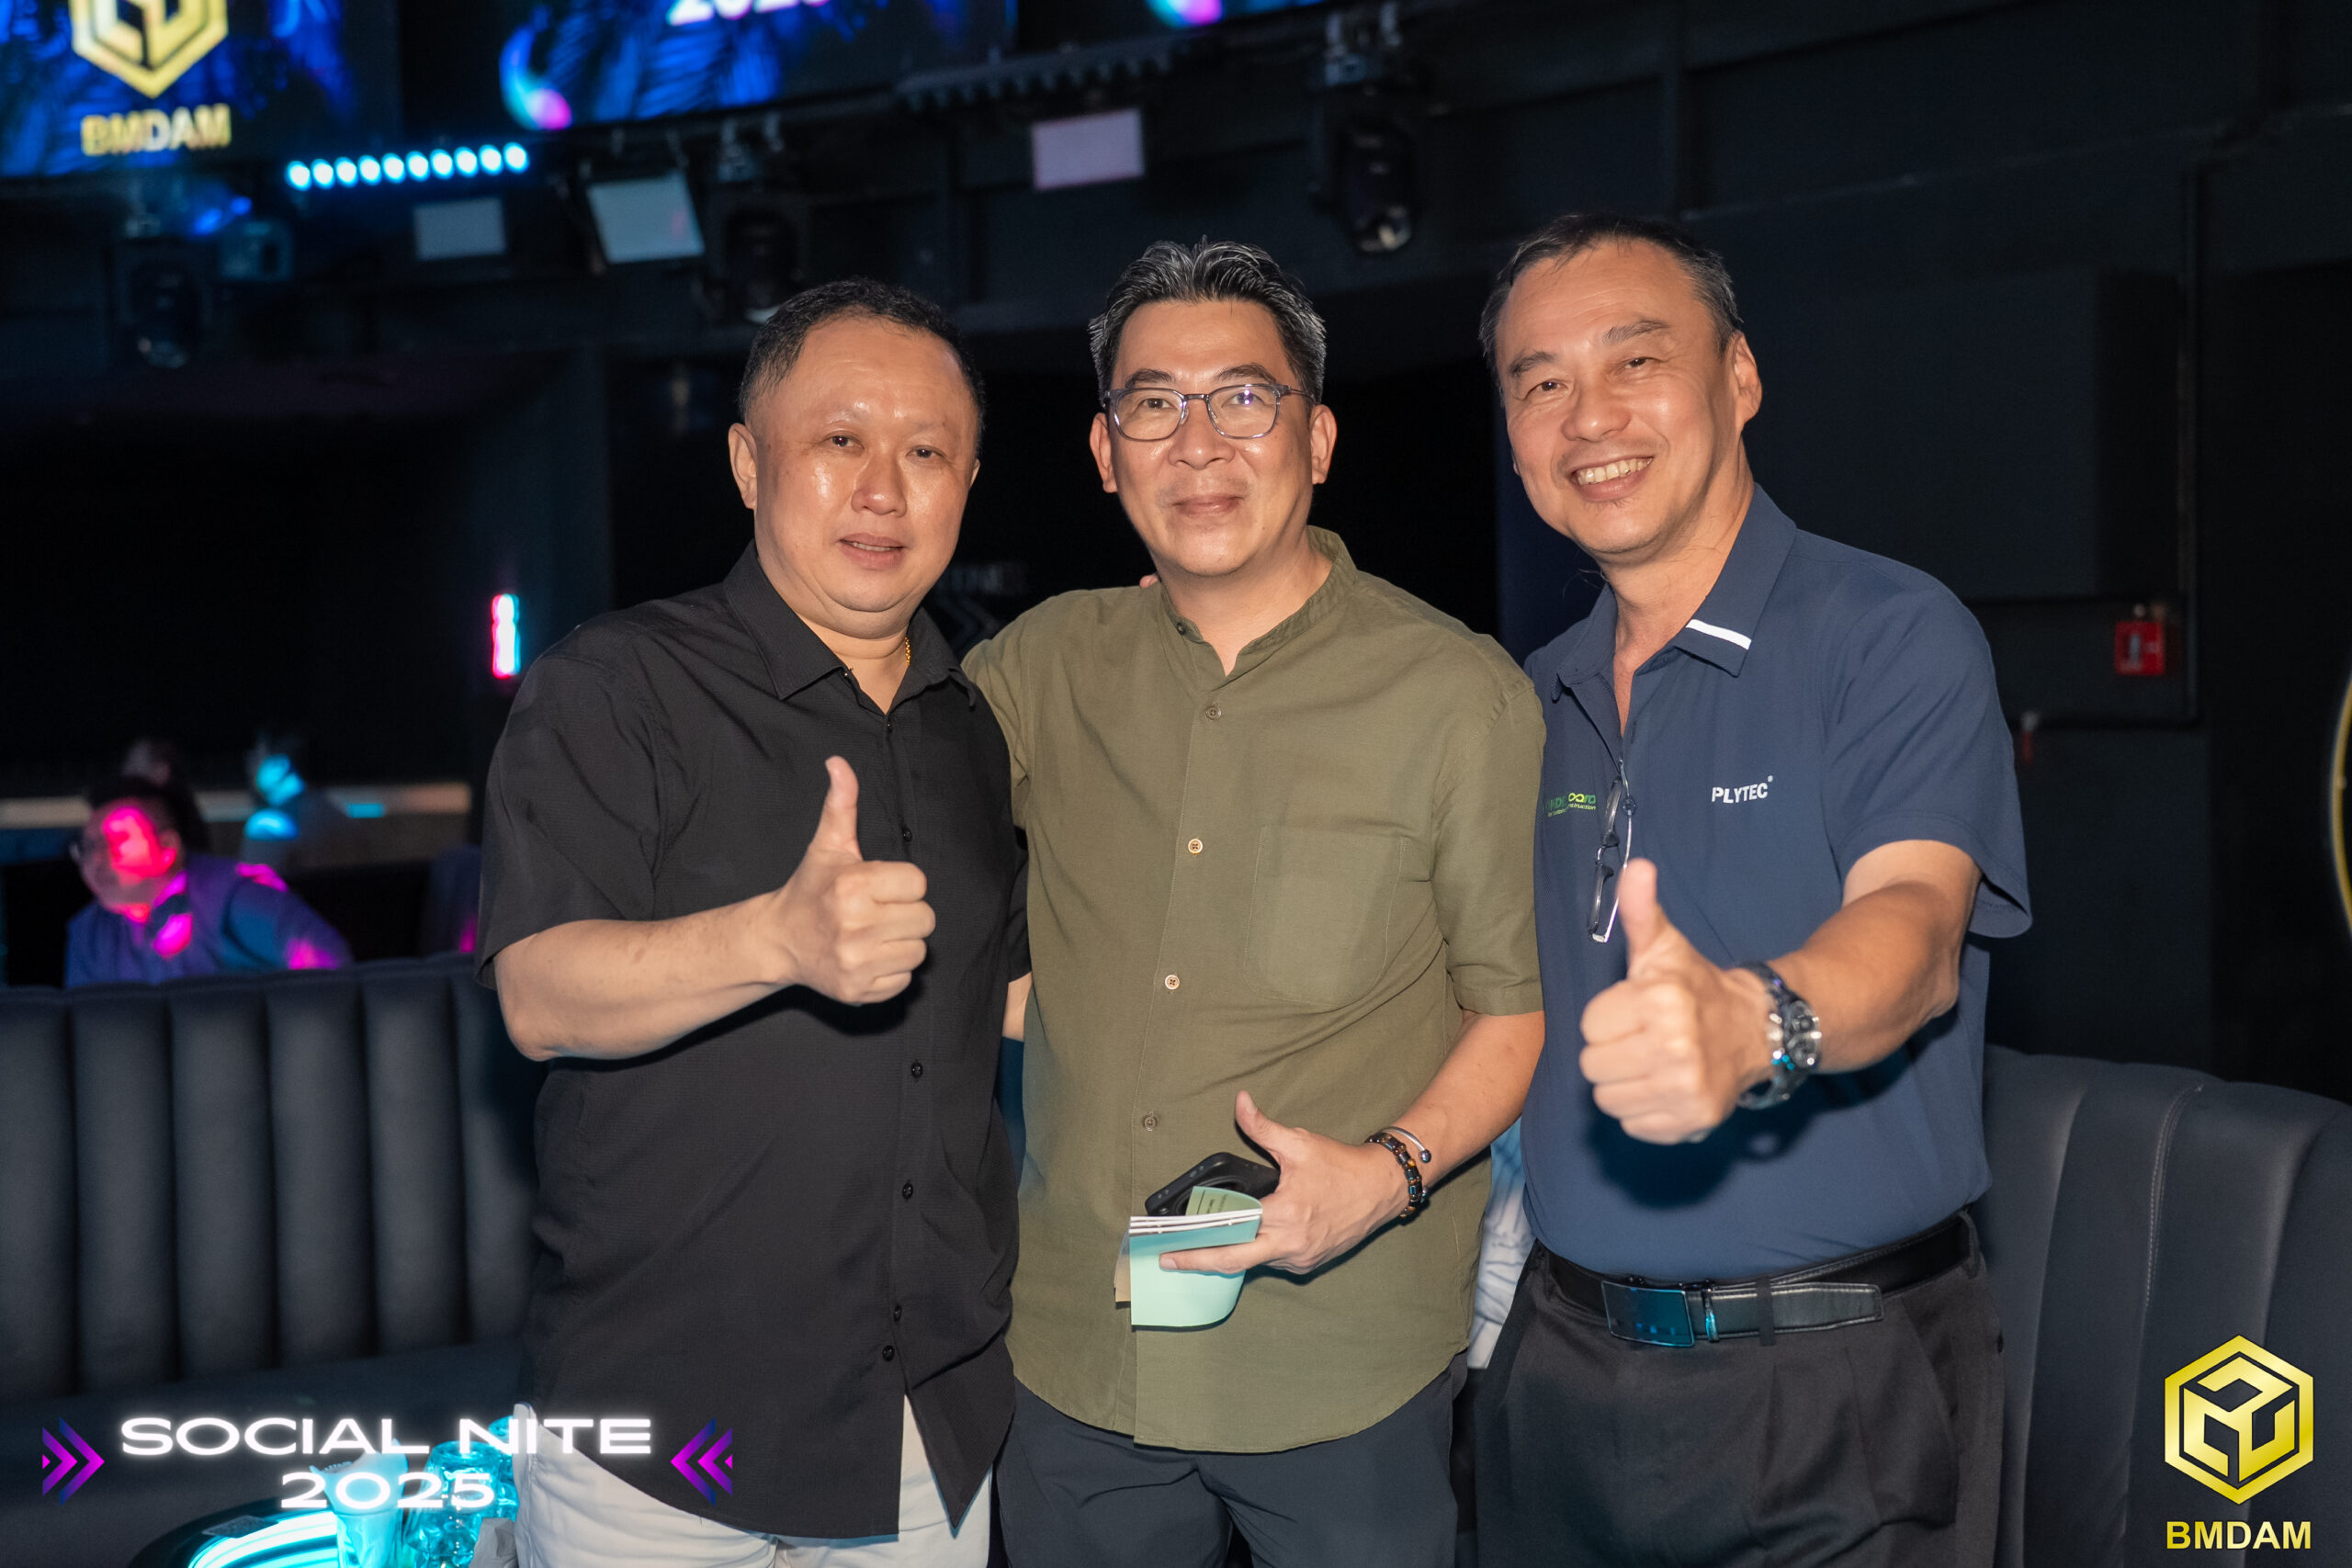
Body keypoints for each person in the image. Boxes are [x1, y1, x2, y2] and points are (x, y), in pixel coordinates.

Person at [964, 240, 1546, 1568]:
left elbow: (1513, 1012)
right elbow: (908, 829)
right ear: (1104, 452)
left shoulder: (1456, 696)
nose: (1198, 443)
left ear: (1318, 438)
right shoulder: (1043, 666)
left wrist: (1388, 1176)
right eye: (1152, 403)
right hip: (1076, 1362)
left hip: (1340, 1362)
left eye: (1243, 397)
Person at [1472, 212, 2030, 1567]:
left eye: (1635, 360)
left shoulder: (1887, 633)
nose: (1587, 416)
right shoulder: (1528, 696)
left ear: (1738, 378)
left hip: (1834, 1387)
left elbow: (1916, 931)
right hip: (1558, 1374)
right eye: (1540, 382)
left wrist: (1755, 1021)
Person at [477, 278, 1023, 1568]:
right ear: (746, 463)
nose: (883, 488)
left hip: (923, 1423)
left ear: (967, 482)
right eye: (840, 439)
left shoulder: (972, 727)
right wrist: (776, 939)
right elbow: (538, 997)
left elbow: (1002, 996)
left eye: (926, 452)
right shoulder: (618, 682)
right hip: (661, 1436)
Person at [64, 777, 350, 986]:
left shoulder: (235, 895)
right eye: (87, 847)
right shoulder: (89, 931)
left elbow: (329, 966)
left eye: (116, 840)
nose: (95, 859)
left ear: (168, 846)